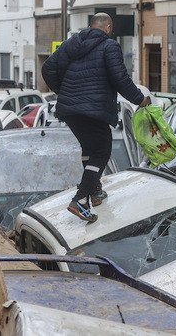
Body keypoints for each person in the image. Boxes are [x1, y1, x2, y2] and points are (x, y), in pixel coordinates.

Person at [42, 12, 150, 223]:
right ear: (108, 28)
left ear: (90, 26)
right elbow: (120, 78)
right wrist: (140, 99)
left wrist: (62, 91)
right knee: (102, 150)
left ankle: (94, 191)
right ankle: (81, 199)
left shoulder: (71, 44)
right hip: (94, 109)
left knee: (90, 149)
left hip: (70, 110)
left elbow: (47, 68)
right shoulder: (110, 46)